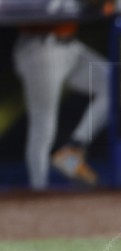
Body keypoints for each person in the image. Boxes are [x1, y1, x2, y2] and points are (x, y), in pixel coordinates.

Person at [13, 20, 110, 190]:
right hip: (40, 48)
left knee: (114, 84)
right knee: (43, 123)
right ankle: (39, 190)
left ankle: (73, 148)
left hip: (70, 46)